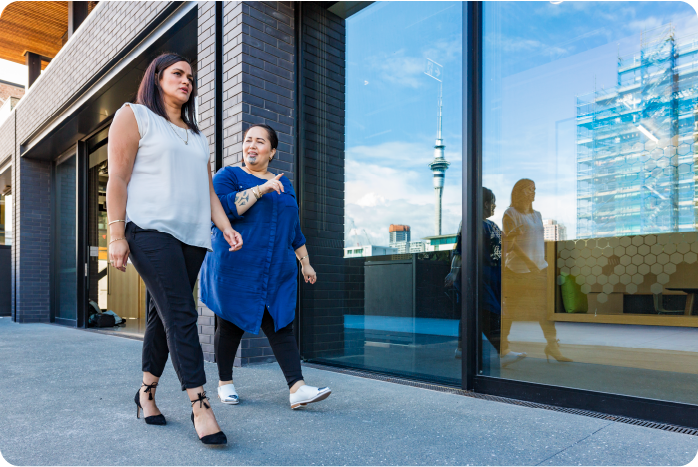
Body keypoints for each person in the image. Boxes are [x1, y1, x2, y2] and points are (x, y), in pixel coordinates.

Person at [107, 53, 243, 445]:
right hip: (148, 230)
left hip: (192, 237)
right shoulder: (134, 115)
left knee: (160, 317)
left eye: (191, 77)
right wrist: (116, 234)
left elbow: (206, 190)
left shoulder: (196, 135)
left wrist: (225, 227)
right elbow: (117, 177)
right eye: (177, 74)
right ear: (157, 77)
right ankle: (200, 403)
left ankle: (145, 394)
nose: (187, 80)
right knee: (182, 312)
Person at [200, 124, 331, 410]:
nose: (252, 146)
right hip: (236, 267)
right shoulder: (229, 175)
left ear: (271, 151)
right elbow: (220, 209)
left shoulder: (285, 184)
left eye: (259, 142)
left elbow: (293, 229)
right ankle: (225, 383)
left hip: (275, 269)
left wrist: (305, 263)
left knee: (281, 323)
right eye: (248, 140)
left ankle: (297, 389)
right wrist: (260, 189)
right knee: (230, 324)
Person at [445, 188, 525, 367]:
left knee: (474, 314)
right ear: (485, 203)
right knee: (489, 313)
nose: (495, 205)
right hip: (478, 277)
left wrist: (515, 235)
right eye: (493, 202)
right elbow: (460, 250)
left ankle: (462, 349)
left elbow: (504, 246)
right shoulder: (470, 223)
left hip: (493, 277)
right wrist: (454, 272)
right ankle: (503, 352)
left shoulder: (492, 225)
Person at [501, 179, 571, 363]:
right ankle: (503, 347)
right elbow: (512, 244)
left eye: (534, 189)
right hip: (516, 271)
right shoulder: (510, 213)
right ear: (518, 192)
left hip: (539, 269)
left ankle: (552, 345)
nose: (533, 193)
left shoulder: (538, 215)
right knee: (511, 311)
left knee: (545, 310)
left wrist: (542, 262)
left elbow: (538, 241)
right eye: (528, 189)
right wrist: (529, 263)